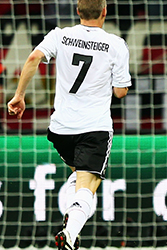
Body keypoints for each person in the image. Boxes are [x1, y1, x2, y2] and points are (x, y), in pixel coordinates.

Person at [7, 0, 131, 249]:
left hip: (61, 130)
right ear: (105, 12)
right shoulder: (116, 44)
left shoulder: (60, 35)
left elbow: (33, 58)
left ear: (78, 11)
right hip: (93, 129)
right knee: (90, 183)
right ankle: (70, 233)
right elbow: (120, 92)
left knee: (80, 176)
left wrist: (19, 95)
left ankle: (72, 221)